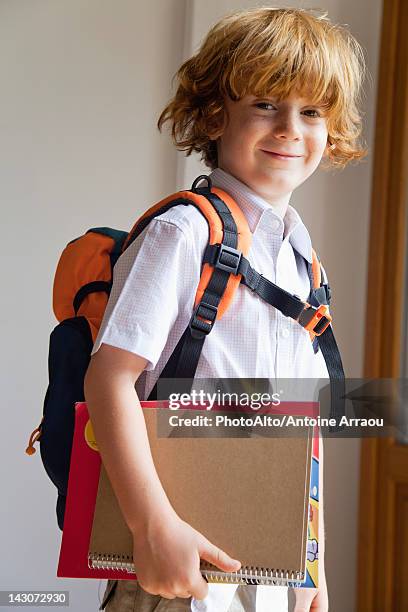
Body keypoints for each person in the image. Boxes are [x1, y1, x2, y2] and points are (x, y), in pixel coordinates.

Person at [84, 6, 367, 612]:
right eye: (265, 103)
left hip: (271, 572)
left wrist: (312, 561)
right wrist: (152, 527)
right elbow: (111, 378)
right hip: (176, 564)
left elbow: (300, 425)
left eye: (312, 111)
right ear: (216, 114)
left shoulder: (304, 262)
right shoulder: (186, 232)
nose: (291, 127)